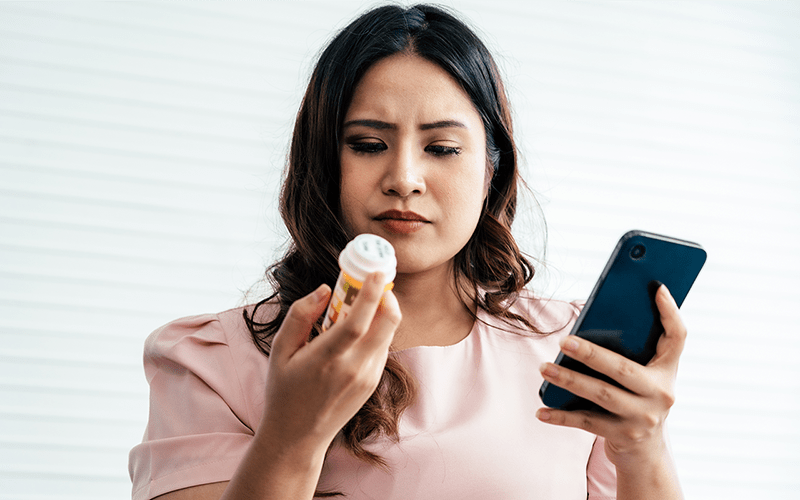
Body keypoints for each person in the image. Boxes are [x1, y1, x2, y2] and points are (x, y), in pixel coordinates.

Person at [128, 4, 686, 499]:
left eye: (441, 148)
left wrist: (644, 447)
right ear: (324, 161)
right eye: (368, 145)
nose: (404, 178)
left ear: (491, 169)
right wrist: (293, 437)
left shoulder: (573, 358)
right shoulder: (210, 364)